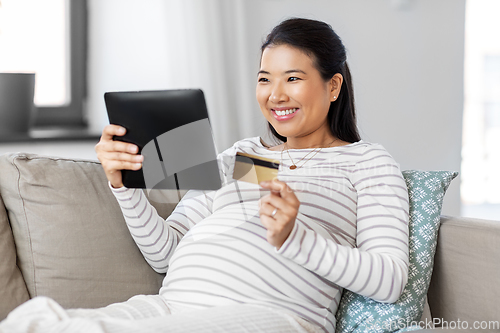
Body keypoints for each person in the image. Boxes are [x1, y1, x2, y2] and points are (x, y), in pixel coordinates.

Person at [0, 17, 409, 333]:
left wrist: (294, 238)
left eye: (293, 79)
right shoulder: (247, 157)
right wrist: (125, 186)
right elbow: (165, 252)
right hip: (172, 306)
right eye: (265, 79)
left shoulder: (366, 162)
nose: (275, 94)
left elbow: (388, 279)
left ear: (333, 86)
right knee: (30, 322)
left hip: (270, 314)